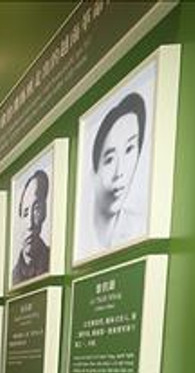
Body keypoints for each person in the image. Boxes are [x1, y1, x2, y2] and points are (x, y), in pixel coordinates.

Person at [87, 92, 147, 255]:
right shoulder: (84, 238)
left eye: (129, 150)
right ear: (93, 172)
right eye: (109, 159)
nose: (119, 172)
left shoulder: (140, 226)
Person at [12, 170, 50, 284]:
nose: (30, 224)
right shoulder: (13, 277)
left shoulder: (52, 261)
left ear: (45, 212)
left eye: (36, 209)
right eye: (25, 212)